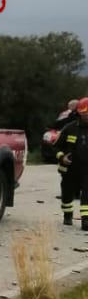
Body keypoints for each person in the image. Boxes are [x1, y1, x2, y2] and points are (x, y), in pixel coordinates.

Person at [54, 98, 88, 230]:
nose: (86, 115)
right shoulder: (69, 128)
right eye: (84, 112)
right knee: (67, 193)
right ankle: (67, 215)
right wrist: (62, 157)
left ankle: (86, 221)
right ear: (79, 112)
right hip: (70, 169)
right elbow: (55, 147)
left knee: (87, 194)